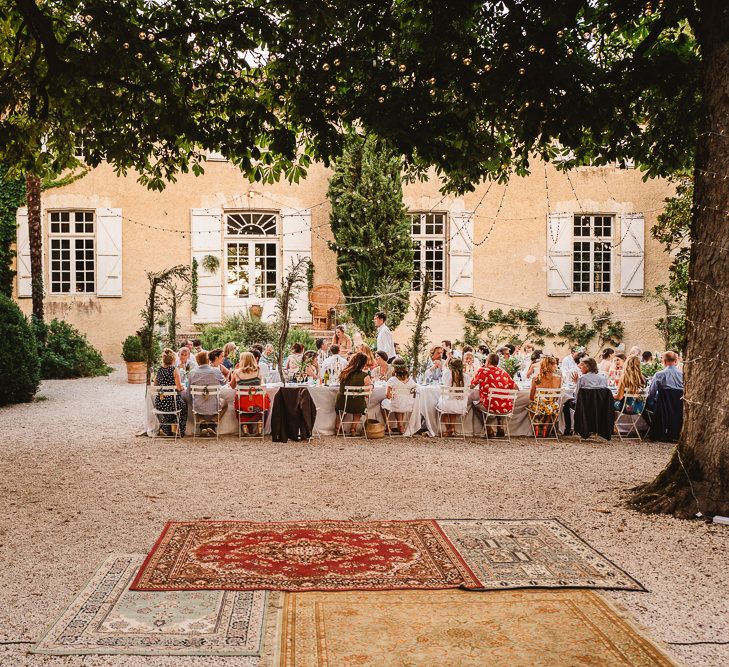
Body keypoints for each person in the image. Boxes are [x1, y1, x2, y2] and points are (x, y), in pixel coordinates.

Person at [471, 353, 517, 437]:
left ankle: (489, 429)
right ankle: (500, 427)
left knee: (474, 404)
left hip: (490, 407)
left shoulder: (482, 370)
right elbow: (516, 388)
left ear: (487, 362)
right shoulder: (504, 372)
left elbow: (472, 385)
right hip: (505, 408)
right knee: (499, 401)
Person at [561, 357, 608, 436]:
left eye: (582, 366)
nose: (580, 368)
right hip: (599, 406)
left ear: (587, 367)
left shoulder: (583, 378)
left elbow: (576, 395)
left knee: (566, 404)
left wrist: (577, 383)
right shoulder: (603, 378)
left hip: (584, 406)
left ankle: (568, 429)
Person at [187, 351, 226, 436]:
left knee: (193, 403)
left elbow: (188, 392)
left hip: (198, 405)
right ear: (208, 361)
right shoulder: (216, 371)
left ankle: (202, 425)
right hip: (214, 405)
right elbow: (224, 383)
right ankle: (212, 424)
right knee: (225, 403)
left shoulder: (192, 373)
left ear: (197, 362)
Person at [334, 352, 372, 436]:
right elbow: (366, 395)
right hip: (357, 405)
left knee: (342, 410)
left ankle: (337, 427)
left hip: (342, 403)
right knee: (358, 405)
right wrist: (371, 385)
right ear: (363, 364)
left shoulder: (344, 372)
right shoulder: (365, 376)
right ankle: (353, 428)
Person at [231, 351, 269, 435]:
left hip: (243, 403)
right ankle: (259, 424)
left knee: (239, 406)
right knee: (265, 399)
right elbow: (260, 385)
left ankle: (244, 427)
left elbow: (232, 386)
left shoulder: (237, 372)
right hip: (257, 403)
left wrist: (234, 371)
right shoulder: (258, 370)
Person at [153, 348, 188, 436]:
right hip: (172, 402)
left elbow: (155, 384)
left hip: (160, 402)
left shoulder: (159, 369)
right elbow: (179, 388)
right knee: (183, 406)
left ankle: (165, 428)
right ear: (173, 360)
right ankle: (180, 431)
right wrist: (182, 387)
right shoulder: (174, 369)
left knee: (171, 409)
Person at [527, 355, 561, 437]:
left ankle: (537, 426)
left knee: (531, 406)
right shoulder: (558, 378)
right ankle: (546, 426)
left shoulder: (537, 378)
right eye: (555, 364)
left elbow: (531, 396)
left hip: (539, 406)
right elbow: (557, 396)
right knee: (550, 406)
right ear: (553, 365)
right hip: (553, 407)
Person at [381, 358, 416, 434]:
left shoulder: (392, 380)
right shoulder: (411, 381)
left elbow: (388, 396)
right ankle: (400, 425)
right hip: (408, 405)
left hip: (395, 406)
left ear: (394, 368)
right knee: (400, 402)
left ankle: (388, 426)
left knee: (383, 402)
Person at [437, 358, 469, 437]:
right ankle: (451, 428)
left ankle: (449, 429)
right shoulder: (466, 377)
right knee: (453, 406)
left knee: (443, 408)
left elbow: (443, 383)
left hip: (447, 404)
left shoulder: (447, 374)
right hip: (461, 405)